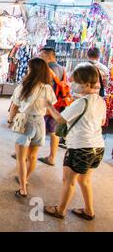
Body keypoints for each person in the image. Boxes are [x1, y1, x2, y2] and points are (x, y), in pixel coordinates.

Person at [43, 63, 106, 221]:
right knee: (84, 179)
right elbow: (103, 121)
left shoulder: (81, 102)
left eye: (75, 81)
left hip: (80, 147)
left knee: (68, 181)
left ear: (86, 85)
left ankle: (60, 210)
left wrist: (49, 105)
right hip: (97, 147)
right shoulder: (100, 101)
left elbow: (60, 119)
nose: (72, 84)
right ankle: (89, 211)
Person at [8, 58, 57, 198]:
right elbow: (50, 108)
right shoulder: (47, 88)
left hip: (25, 121)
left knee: (21, 159)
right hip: (40, 123)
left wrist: (10, 120)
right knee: (33, 156)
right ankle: (26, 179)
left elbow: (14, 106)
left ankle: (22, 188)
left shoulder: (24, 85)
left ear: (32, 70)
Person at [38, 47, 69, 166]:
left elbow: (44, 88)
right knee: (53, 131)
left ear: (48, 56)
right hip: (58, 105)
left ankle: (26, 154)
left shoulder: (46, 69)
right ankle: (52, 157)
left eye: (41, 56)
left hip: (46, 105)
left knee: (34, 127)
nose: (40, 58)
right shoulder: (62, 69)